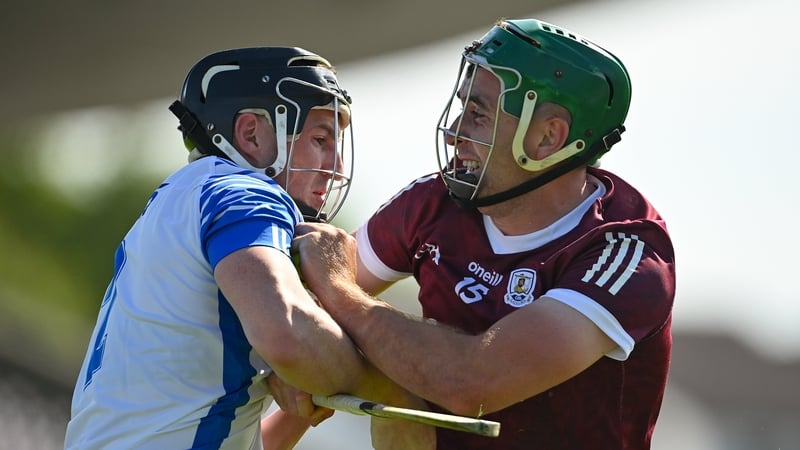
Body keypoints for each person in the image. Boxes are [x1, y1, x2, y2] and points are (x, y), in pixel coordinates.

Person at [292, 18, 676, 449]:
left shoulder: (625, 254)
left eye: (478, 115)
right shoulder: (435, 202)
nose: (455, 131)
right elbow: (306, 310)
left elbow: (471, 386)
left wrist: (342, 292)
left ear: (548, 137)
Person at [64, 47, 430, 450]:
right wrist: (389, 388)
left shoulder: (178, 197)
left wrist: (304, 393)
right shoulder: (244, 193)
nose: (337, 165)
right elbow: (288, 331)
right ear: (251, 135)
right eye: (321, 139)